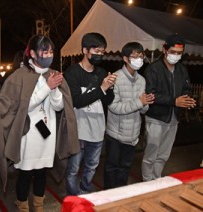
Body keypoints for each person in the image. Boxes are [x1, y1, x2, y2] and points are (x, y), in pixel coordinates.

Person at [0, 34, 79, 212]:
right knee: (25, 174)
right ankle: (22, 205)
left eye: (51, 52)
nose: (49, 55)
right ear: (32, 53)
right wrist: (47, 87)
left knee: (42, 173)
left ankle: (39, 206)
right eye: (44, 51)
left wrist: (54, 89)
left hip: (47, 133)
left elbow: (58, 106)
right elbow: (23, 107)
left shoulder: (52, 74)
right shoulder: (19, 76)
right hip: (28, 135)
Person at [64, 32, 117, 195]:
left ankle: (86, 191)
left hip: (97, 128)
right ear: (85, 50)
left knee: (91, 167)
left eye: (102, 52)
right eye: (96, 51)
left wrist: (110, 89)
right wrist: (101, 88)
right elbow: (77, 101)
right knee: (73, 169)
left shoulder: (101, 72)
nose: (99, 55)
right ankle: (73, 196)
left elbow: (107, 101)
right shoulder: (72, 73)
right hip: (78, 130)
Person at [142, 33, 196, 182]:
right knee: (150, 155)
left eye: (179, 53)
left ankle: (156, 180)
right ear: (164, 49)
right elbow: (151, 94)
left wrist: (186, 99)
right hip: (156, 118)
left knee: (163, 155)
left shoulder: (182, 70)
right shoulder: (153, 69)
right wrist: (174, 101)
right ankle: (147, 183)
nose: (176, 56)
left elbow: (186, 88)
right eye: (173, 52)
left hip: (173, 119)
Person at [104, 42, 155, 189]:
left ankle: (121, 196)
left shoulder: (142, 80)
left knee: (125, 168)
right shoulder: (116, 78)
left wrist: (146, 103)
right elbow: (114, 107)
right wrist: (139, 102)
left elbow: (143, 110)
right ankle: (108, 197)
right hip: (116, 134)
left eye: (141, 56)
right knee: (112, 168)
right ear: (125, 59)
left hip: (132, 135)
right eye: (135, 56)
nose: (139, 59)